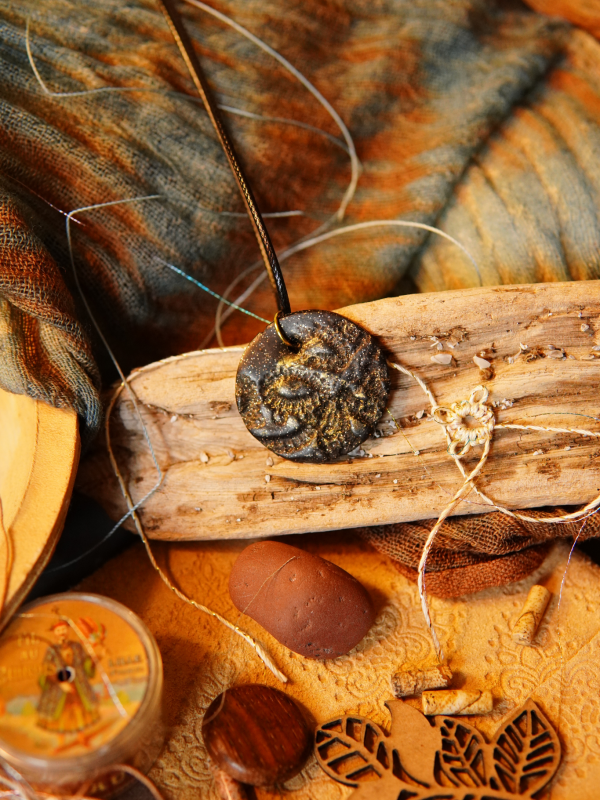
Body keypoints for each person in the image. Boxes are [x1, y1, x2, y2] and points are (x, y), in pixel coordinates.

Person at [37, 620, 99, 739]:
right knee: (61, 715)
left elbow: (84, 663)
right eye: (59, 630)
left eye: (64, 629)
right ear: (54, 633)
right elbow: (46, 670)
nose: (62, 632)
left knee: (79, 711)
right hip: (59, 689)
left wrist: (96, 658)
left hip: (77, 686)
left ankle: (82, 738)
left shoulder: (76, 646)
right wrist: (60, 683)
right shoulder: (51, 650)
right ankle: (61, 743)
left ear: (68, 630)